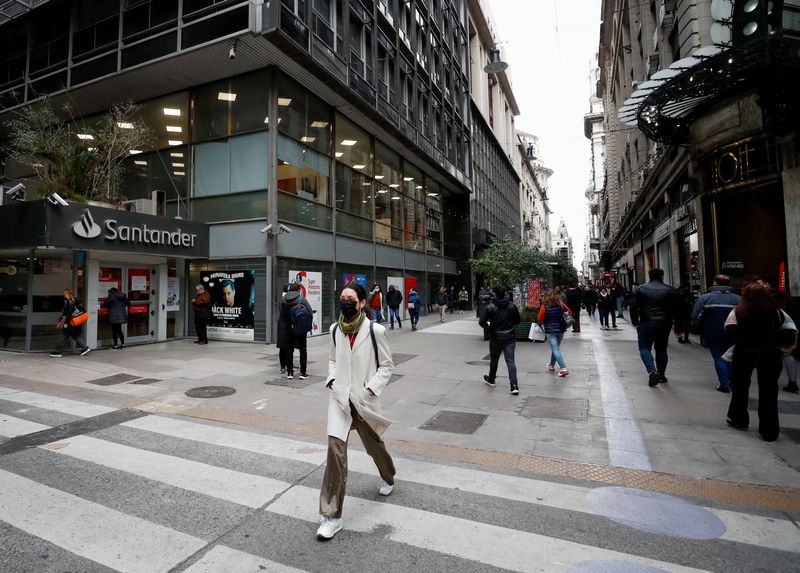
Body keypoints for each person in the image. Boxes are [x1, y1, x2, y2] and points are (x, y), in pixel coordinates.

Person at [318, 283, 395, 540]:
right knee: (335, 453)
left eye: (350, 298)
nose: (345, 302)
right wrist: (332, 380)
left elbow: (387, 366)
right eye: (342, 298)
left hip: (363, 400)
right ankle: (332, 515)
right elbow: (332, 359)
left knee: (375, 446)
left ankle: (388, 476)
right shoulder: (335, 330)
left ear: (362, 302)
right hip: (340, 400)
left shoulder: (376, 330)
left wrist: (370, 390)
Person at [724, 283, 798, 441]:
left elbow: (730, 331)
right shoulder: (778, 313)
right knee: (769, 391)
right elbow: (790, 332)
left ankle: (739, 419)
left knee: (740, 387)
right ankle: (769, 430)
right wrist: (775, 343)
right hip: (770, 354)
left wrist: (745, 340)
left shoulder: (738, 311)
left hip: (745, 352)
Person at [629, 268, 680, 387]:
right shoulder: (670, 290)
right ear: (662, 276)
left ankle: (652, 371)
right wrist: (674, 322)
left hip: (646, 322)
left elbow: (633, 306)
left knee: (644, 348)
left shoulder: (640, 289)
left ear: (649, 276)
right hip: (664, 324)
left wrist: (635, 321)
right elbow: (676, 308)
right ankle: (661, 375)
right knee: (661, 349)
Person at [691, 275, 741, 393]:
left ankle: (724, 384)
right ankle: (731, 381)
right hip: (732, 332)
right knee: (730, 356)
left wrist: (697, 327)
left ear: (714, 283)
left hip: (712, 332)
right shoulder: (738, 299)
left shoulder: (706, 298)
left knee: (718, 357)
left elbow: (696, 315)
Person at [479, 285, 521, 394]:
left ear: (494, 294)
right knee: (510, 361)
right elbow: (518, 321)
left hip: (495, 337)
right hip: (509, 337)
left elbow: (482, 322)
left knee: (494, 359)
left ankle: (491, 379)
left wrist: (488, 327)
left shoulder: (490, 307)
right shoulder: (512, 306)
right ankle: (514, 385)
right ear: (505, 294)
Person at [277, 283, 313, 380]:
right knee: (302, 350)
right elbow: (310, 312)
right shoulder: (301, 299)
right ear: (298, 290)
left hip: (288, 329)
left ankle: (290, 373)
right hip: (300, 329)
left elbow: (281, 313)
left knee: (289, 350)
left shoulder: (283, 300)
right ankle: (303, 372)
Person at [537, 289, 571, 377]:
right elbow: (569, 312)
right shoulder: (560, 304)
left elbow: (540, 318)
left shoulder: (544, 306)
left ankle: (563, 368)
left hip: (550, 330)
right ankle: (551, 365)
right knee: (556, 348)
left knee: (555, 349)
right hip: (560, 330)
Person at [50, 289, 90, 357]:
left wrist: (66, 323)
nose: (64, 295)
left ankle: (58, 351)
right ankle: (85, 348)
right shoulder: (75, 300)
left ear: (67, 294)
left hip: (70, 323)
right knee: (75, 336)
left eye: (65, 294)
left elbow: (69, 313)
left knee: (64, 336)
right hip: (75, 322)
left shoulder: (71, 301)